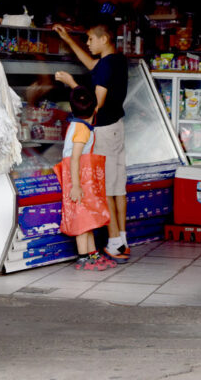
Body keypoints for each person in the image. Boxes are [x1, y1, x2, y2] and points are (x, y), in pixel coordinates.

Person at [53, 22, 130, 263]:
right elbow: (91, 64)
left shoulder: (107, 65)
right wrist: (68, 39)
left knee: (105, 186)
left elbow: (95, 105)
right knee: (118, 187)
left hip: (105, 130)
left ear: (104, 39)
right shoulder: (115, 61)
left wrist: (72, 85)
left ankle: (115, 242)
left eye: (90, 40)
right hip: (117, 128)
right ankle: (122, 239)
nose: (88, 43)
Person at [59, 86, 116, 271]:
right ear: (96, 108)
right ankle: (83, 259)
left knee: (88, 217)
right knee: (82, 220)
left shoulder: (78, 125)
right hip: (76, 179)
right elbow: (75, 158)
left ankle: (93, 254)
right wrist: (76, 186)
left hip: (80, 178)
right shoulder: (82, 129)